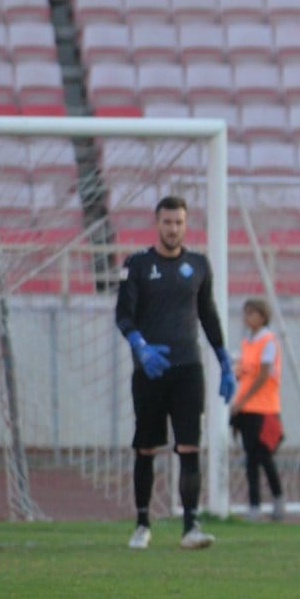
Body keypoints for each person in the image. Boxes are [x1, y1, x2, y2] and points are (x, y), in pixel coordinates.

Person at [114, 194, 234, 550]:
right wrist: (140, 346)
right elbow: (123, 314)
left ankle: (191, 527)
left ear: (185, 224)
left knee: (189, 446)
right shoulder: (136, 265)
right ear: (157, 223)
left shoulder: (198, 265)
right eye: (167, 222)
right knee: (147, 447)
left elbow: (208, 316)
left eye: (179, 222)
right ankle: (141, 523)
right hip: (149, 370)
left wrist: (225, 361)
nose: (173, 228)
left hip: (187, 368)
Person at [231, 297, 286, 522]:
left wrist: (242, 402)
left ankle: (278, 499)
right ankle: (254, 506)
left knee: (263, 456)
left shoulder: (269, 341)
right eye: (245, 313)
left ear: (262, 317)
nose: (247, 318)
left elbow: (264, 374)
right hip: (247, 408)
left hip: (264, 409)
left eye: (251, 313)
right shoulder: (247, 342)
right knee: (251, 459)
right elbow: (247, 372)